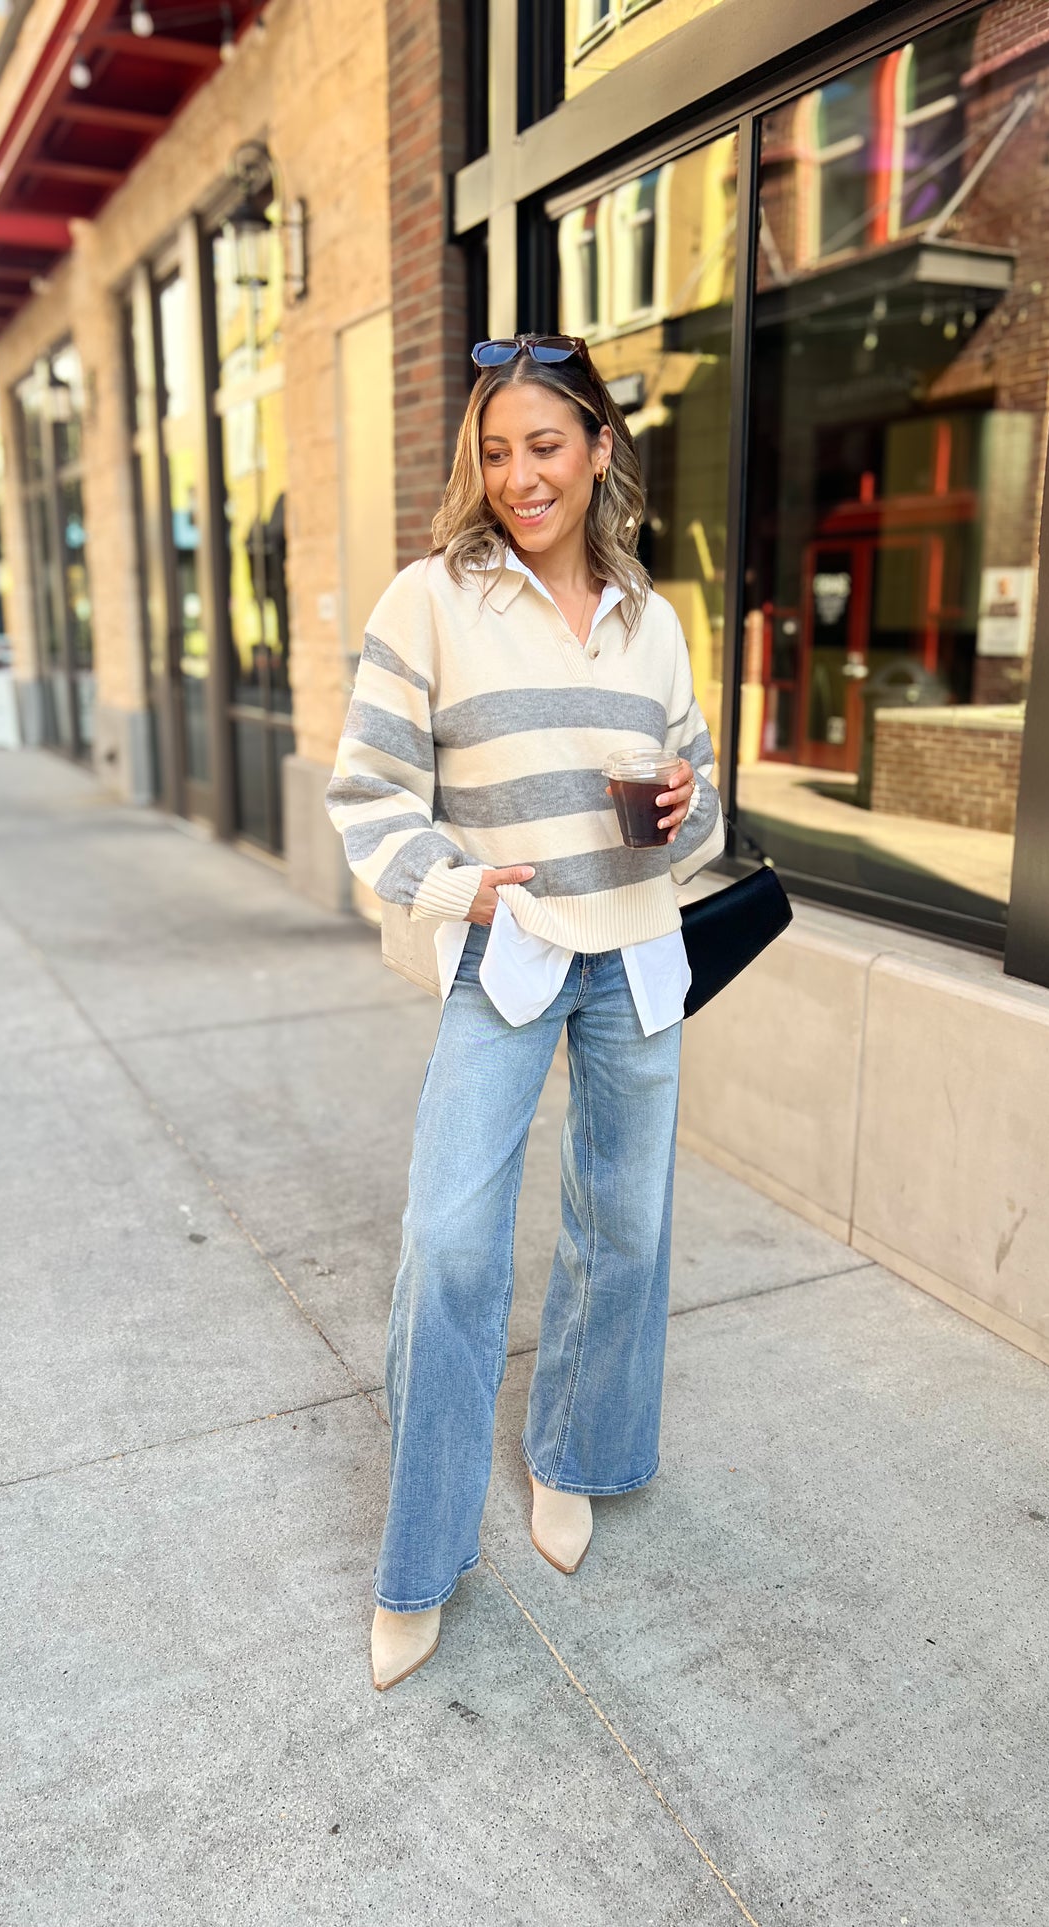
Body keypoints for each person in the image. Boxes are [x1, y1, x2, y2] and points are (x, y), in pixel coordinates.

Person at [324, 332, 725, 1691]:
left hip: (637, 954)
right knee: (448, 1246)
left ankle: (578, 1454)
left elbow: (699, 794)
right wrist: (457, 887)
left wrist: (686, 811)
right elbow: (366, 793)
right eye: (495, 453)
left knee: (624, 1229)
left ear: (600, 449)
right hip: (510, 956)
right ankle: (421, 1556)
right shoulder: (429, 599)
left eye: (543, 446)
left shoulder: (652, 618)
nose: (518, 476)